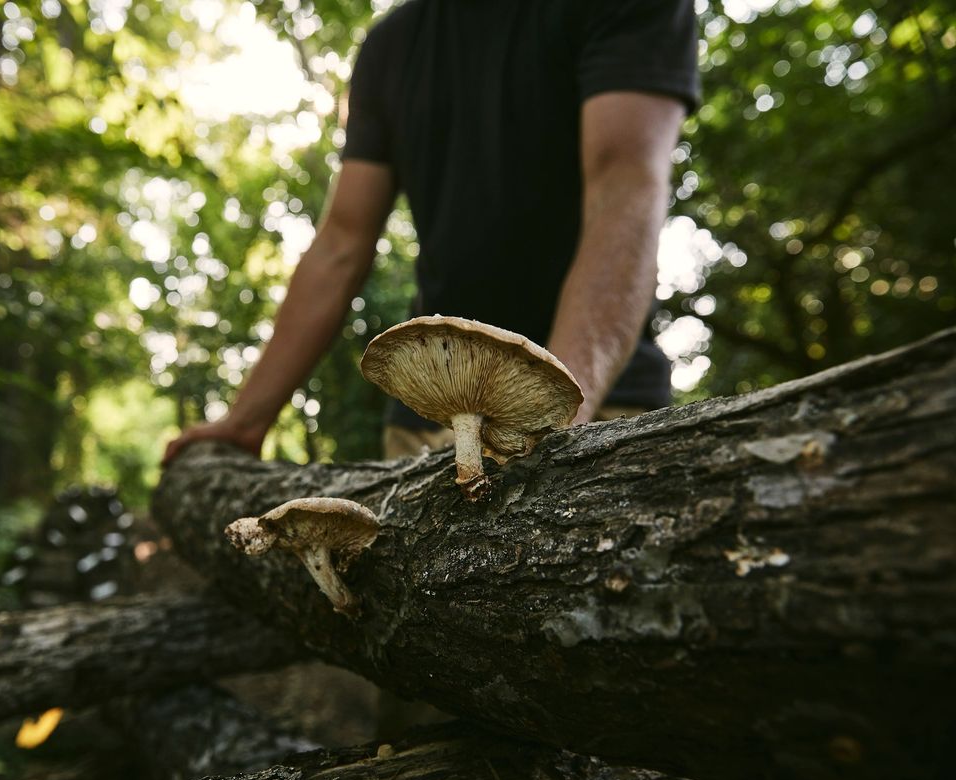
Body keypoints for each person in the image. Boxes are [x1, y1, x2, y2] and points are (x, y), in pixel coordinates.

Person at [164, 0, 699, 467]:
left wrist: (553, 417)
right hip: (427, 418)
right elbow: (340, 242)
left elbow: (623, 191)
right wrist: (244, 421)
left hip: (603, 400)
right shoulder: (391, 46)